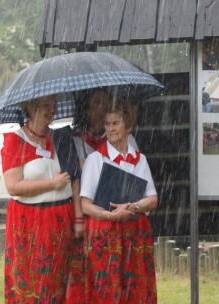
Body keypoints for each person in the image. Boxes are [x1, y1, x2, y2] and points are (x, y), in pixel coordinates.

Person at [1, 95, 84, 303]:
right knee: (32, 281)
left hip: (62, 219)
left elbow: (74, 179)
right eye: (46, 106)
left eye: (54, 105)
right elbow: (13, 186)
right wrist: (51, 184)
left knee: (61, 279)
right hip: (30, 222)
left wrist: (78, 217)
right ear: (30, 108)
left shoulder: (61, 138)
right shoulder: (16, 140)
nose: (52, 110)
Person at [79, 97, 158, 303]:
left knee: (137, 289)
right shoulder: (95, 159)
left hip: (135, 234)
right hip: (105, 236)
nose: (110, 129)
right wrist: (110, 215)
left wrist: (134, 206)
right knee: (106, 290)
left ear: (128, 125)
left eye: (116, 123)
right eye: (107, 123)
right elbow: (85, 205)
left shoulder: (140, 159)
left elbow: (153, 199)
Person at [65, 89, 139, 304]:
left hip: (120, 215)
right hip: (88, 218)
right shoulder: (76, 141)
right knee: (90, 277)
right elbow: (73, 180)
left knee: (122, 276)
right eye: (97, 102)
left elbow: (135, 173)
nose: (103, 107)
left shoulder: (125, 137)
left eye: (106, 102)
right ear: (86, 109)